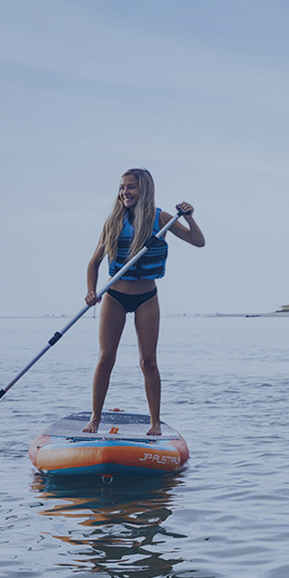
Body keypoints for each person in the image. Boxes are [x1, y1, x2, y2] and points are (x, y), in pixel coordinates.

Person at [82, 169, 204, 435]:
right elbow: (94, 263)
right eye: (122, 187)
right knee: (105, 358)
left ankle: (155, 422)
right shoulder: (113, 221)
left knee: (148, 361)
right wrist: (91, 291)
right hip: (114, 297)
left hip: (146, 298)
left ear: (144, 189)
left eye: (131, 187)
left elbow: (198, 242)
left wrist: (190, 218)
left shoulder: (161, 219)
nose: (125, 192)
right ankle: (94, 418)